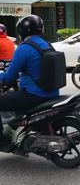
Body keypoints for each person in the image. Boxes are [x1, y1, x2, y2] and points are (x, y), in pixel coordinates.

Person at [0, 15, 59, 147]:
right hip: (53, 92)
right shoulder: (47, 45)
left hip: (35, 95)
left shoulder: (24, 48)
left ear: (22, 31)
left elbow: (9, 77)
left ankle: (2, 141)